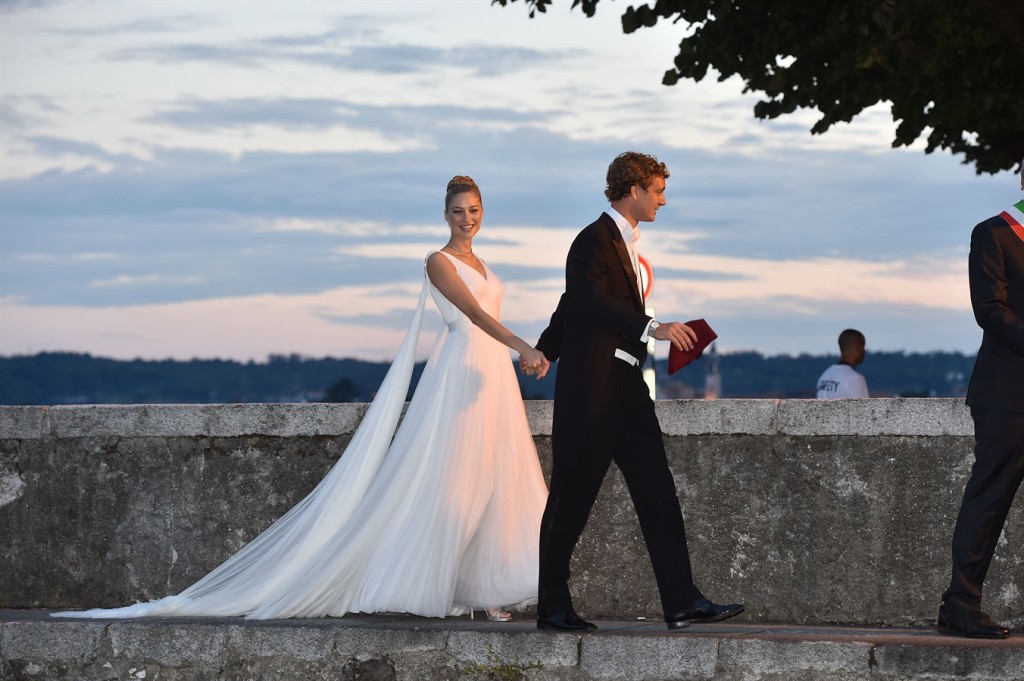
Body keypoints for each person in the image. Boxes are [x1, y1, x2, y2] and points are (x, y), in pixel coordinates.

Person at [53, 176, 550, 622]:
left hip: (491, 377)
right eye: (460, 210)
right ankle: (433, 584)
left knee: (494, 475)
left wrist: (517, 353)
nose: (468, 219)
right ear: (445, 215)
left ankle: (487, 589)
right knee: (452, 477)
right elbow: (474, 317)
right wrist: (522, 345)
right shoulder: (437, 262)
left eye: (475, 210)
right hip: (459, 370)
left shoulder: (483, 263)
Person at [533, 151, 744, 632]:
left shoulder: (621, 242)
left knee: (658, 492)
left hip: (627, 389)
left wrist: (547, 348)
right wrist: (653, 326)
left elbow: (572, 304)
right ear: (633, 191)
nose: (663, 201)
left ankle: (681, 602)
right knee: (571, 496)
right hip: (593, 391)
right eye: (658, 191)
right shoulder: (591, 240)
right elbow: (585, 299)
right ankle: (553, 608)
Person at [938, 160, 1024, 639]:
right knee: (988, 500)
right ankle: (960, 605)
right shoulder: (993, 233)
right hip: (1008, 393)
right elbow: (989, 310)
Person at [815, 329, 869, 398]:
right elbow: (863, 408)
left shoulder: (824, 376)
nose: (864, 351)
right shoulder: (854, 378)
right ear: (856, 346)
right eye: (863, 346)